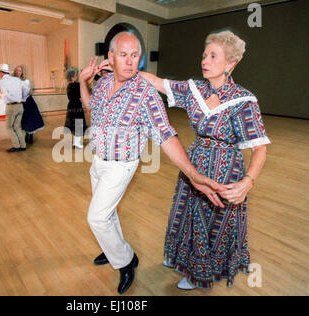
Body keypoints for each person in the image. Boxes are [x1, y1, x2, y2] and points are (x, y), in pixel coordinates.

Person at [79, 31, 226, 295]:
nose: (129, 61)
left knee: (97, 217)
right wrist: (83, 81)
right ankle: (116, 250)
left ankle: (125, 262)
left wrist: (193, 174)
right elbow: (91, 108)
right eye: (123, 55)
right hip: (98, 160)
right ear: (110, 57)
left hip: (121, 165)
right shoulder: (102, 83)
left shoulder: (145, 94)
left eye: (135, 56)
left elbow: (166, 134)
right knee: (107, 213)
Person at [140, 30, 271, 290]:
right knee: (186, 214)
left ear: (230, 64)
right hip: (195, 160)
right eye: (204, 55)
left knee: (209, 220)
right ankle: (180, 258)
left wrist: (248, 181)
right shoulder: (194, 89)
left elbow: (260, 149)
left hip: (225, 170)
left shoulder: (244, 100)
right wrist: (123, 67)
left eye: (213, 56)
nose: (205, 60)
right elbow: (155, 81)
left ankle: (199, 273)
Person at [0, 64, 29, 152]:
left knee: (9, 127)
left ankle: (16, 146)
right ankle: (23, 145)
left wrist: (18, 99)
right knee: (17, 126)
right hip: (20, 106)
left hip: (11, 106)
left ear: (1, 73)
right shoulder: (16, 79)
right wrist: (23, 98)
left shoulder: (2, 82)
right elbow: (26, 89)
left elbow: (7, 95)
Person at [13, 65, 44, 145]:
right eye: (16, 70)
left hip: (28, 101)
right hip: (21, 102)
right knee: (24, 120)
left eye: (20, 71)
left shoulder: (26, 81)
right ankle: (27, 135)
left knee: (31, 119)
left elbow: (27, 91)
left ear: (22, 72)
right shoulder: (13, 81)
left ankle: (31, 136)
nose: (18, 72)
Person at [64, 67, 87, 149]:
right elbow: (81, 94)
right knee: (78, 124)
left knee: (75, 124)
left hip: (71, 105)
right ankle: (77, 143)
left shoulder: (69, 85)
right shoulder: (76, 85)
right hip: (76, 105)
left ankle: (76, 142)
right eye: (76, 75)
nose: (77, 77)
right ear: (73, 76)